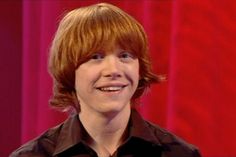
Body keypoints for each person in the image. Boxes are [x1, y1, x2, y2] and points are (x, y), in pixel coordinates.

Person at [10, 3, 201, 157]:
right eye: (96, 57)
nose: (114, 70)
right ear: (69, 70)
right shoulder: (34, 155)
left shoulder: (179, 153)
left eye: (125, 55)